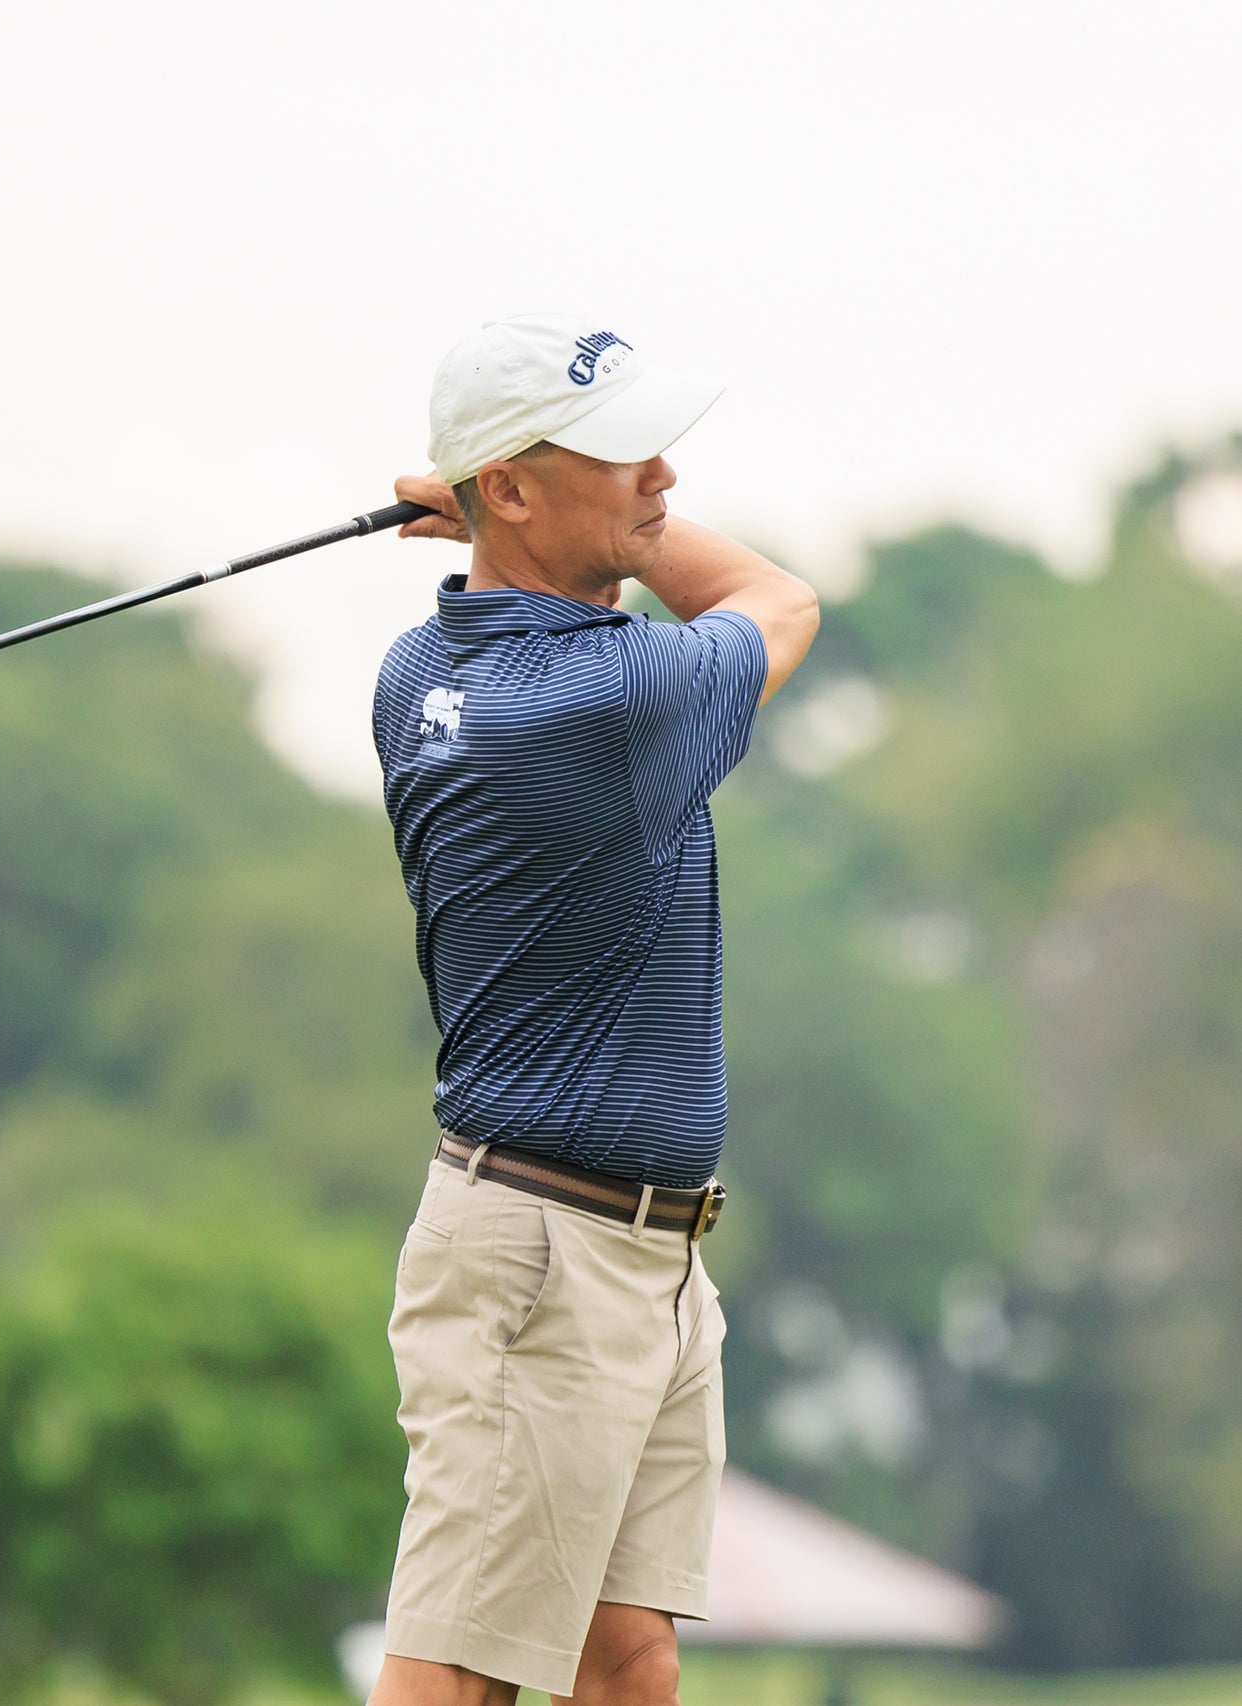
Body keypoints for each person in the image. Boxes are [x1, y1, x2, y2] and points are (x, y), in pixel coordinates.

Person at [367, 316, 819, 1706]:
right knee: (458, 1672)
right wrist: (478, 506)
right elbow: (777, 598)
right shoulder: (615, 699)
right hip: (546, 1261)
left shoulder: (421, 672)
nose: (661, 475)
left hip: (639, 1253)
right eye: (621, 454)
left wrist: (491, 514)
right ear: (510, 484)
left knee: (628, 1664)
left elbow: (551, 583)